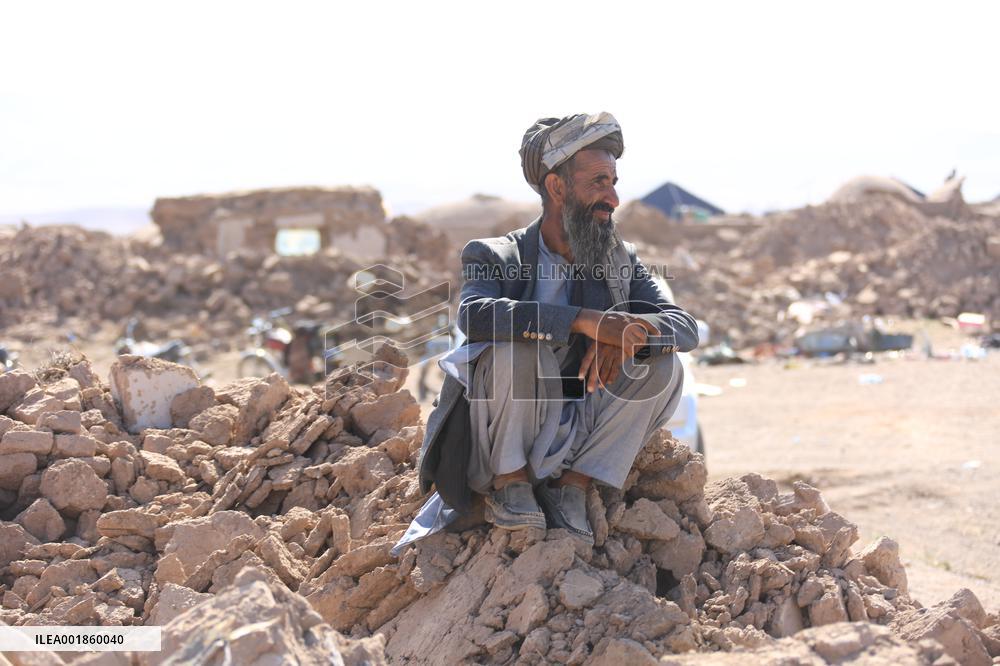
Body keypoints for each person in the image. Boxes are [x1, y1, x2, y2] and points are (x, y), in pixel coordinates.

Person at [403, 112, 698, 549]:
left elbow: (684, 327)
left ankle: (572, 489)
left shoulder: (620, 259)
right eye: (598, 182)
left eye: (614, 182)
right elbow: (476, 315)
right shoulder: (494, 254)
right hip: (501, 431)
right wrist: (585, 321)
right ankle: (511, 484)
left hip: (576, 426)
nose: (613, 198)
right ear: (557, 187)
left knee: (661, 365)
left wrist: (625, 334)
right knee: (520, 345)